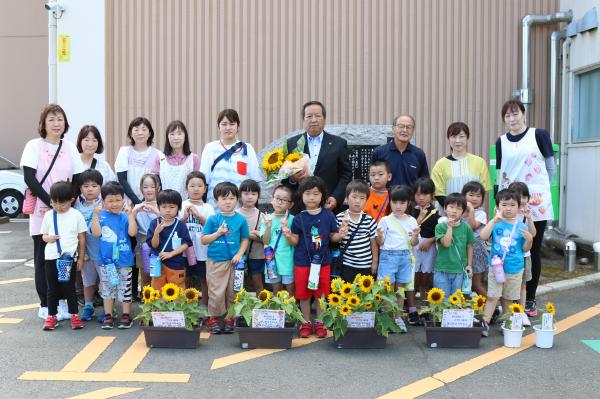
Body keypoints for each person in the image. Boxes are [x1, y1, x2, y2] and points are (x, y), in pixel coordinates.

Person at [21, 104, 85, 320]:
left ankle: (61, 303)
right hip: (42, 212)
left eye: (60, 119)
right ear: (43, 124)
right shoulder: (34, 146)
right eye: (51, 119)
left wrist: (66, 204)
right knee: (43, 258)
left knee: (64, 256)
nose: (56, 123)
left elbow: (77, 178)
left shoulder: (69, 147)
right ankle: (46, 304)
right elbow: (30, 177)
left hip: (66, 212)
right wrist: (52, 202)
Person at [496, 99, 554, 317]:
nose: (512, 119)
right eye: (507, 116)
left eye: (515, 114)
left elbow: (550, 167)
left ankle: (530, 299)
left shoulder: (539, 135)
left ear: (523, 114)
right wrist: (498, 201)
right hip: (510, 204)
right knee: (509, 249)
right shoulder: (502, 141)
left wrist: (541, 193)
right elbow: (500, 173)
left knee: (532, 251)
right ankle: (509, 297)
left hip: (536, 205)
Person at [283, 176, 348, 338]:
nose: (311, 197)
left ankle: (320, 322)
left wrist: (340, 235)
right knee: (304, 294)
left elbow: (332, 237)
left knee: (321, 294)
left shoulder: (328, 216)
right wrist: (288, 235)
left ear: (322, 197)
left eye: (316, 194)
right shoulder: (298, 218)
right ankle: (306, 322)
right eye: (307, 193)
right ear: (301, 196)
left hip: (323, 262)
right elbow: (294, 241)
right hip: (303, 262)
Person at [479, 189, 533, 337]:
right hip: (496, 266)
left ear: (519, 207)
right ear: (497, 207)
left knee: (509, 298)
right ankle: (485, 323)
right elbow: (483, 236)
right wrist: (493, 220)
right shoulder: (496, 223)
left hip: (515, 268)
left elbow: (524, 248)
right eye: (504, 204)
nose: (508, 208)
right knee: (492, 296)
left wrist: (529, 240)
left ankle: (506, 323)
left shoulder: (521, 225)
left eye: (512, 205)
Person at [284, 101, 352, 212]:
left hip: (328, 205)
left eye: (318, 116)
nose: (313, 120)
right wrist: (292, 180)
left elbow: (346, 174)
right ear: (303, 120)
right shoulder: (291, 144)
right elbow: (284, 176)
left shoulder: (338, 143)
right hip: (300, 207)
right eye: (309, 116)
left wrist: (336, 197)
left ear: (324, 119)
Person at [202, 182, 250, 334]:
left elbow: (245, 239)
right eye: (224, 198)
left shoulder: (241, 219)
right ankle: (214, 318)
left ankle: (230, 317)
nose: (228, 201)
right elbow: (204, 240)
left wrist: (240, 254)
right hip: (216, 260)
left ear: (237, 200)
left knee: (233, 291)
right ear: (216, 201)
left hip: (235, 262)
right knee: (216, 291)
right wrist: (218, 233)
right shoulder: (213, 219)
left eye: (231, 198)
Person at [91, 181, 138, 330]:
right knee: (107, 288)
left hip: (124, 260)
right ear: (103, 201)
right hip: (107, 261)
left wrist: (131, 215)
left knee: (125, 288)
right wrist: (95, 214)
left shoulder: (125, 216)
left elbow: (132, 233)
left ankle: (126, 315)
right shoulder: (101, 216)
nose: (115, 204)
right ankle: (108, 315)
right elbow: (96, 233)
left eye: (118, 200)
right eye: (110, 201)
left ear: (123, 200)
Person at [40, 181, 87, 330]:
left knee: (69, 288)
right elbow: (44, 236)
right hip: (51, 257)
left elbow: (82, 238)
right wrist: (49, 238)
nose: (58, 207)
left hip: (68, 259)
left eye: (63, 203)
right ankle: (51, 316)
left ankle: (74, 315)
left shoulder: (76, 215)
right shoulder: (48, 215)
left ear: (71, 200)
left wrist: (80, 258)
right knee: (52, 288)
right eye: (54, 203)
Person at [376, 185, 421, 332]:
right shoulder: (385, 220)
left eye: (402, 203)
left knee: (400, 289)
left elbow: (414, 244)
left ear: (408, 203)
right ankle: (388, 319)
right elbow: (380, 243)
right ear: (390, 202)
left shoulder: (412, 221)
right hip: (388, 256)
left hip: (405, 256)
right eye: (395, 202)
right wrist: (380, 235)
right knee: (388, 289)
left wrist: (415, 235)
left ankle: (398, 318)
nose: (398, 206)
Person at [200, 109, 262, 205]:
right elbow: (204, 180)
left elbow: (255, 180)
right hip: (215, 206)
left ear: (238, 126)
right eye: (224, 124)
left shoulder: (247, 148)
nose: (228, 127)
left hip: (240, 207)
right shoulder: (210, 148)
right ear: (218, 126)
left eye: (232, 124)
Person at [430, 122, 491, 206]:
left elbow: (484, 189)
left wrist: (469, 210)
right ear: (448, 138)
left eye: (461, 136)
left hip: (473, 214)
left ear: (467, 138)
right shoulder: (440, 164)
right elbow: (438, 193)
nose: (457, 140)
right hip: (448, 214)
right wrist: (454, 209)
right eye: (453, 137)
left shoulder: (479, 162)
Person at [147, 189, 193, 290]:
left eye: (172, 207)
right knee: (157, 292)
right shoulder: (154, 223)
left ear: (178, 208)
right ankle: (157, 306)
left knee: (178, 291)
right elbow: (154, 245)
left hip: (176, 264)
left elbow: (186, 244)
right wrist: (156, 233)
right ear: (158, 207)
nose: (168, 210)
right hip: (157, 264)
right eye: (164, 207)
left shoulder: (180, 225)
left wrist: (171, 254)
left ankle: (177, 306)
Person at [180, 171, 214, 305]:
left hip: (202, 251)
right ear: (186, 188)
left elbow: (211, 227)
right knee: (184, 278)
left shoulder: (208, 207)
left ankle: (206, 307)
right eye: (192, 185)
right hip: (184, 250)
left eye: (199, 186)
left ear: (205, 189)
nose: (196, 189)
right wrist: (183, 218)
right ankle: (186, 307)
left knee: (204, 279)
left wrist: (198, 215)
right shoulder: (182, 205)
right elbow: (175, 226)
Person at [335, 179, 378, 283]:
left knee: (364, 295)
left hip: (365, 265)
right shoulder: (340, 218)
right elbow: (334, 239)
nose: (358, 201)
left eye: (362, 198)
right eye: (354, 197)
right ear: (346, 198)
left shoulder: (369, 220)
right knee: (348, 294)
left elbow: (373, 243)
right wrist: (340, 233)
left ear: (366, 200)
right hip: (347, 264)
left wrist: (375, 262)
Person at [75, 169, 104, 321]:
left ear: (100, 187)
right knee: (88, 280)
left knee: (104, 281)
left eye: (94, 185)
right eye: (86, 186)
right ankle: (88, 306)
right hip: (84, 252)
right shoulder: (77, 206)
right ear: (80, 188)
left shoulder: (104, 203)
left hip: (101, 251)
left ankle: (108, 309)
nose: (90, 189)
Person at [433, 193, 474, 296]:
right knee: (442, 300)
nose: (454, 211)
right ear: (445, 208)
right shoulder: (440, 227)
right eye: (451, 207)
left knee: (456, 301)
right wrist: (450, 227)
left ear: (463, 212)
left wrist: (469, 265)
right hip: (442, 269)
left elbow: (469, 246)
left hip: (459, 270)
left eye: (459, 208)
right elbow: (446, 244)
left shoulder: (466, 228)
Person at [410, 178, 440, 320]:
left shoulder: (436, 213)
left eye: (425, 194)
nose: (421, 197)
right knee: (413, 276)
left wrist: (430, 240)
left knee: (426, 277)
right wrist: (420, 216)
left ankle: (424, 306)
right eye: (417, 194)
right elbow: (410, 230)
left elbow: (440, 232)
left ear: (432, 195)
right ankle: (412, 308)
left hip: (429, 247)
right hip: (414, 245)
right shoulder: (410, 210)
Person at [371, 114, 429, 187]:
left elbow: (424, 181)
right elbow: (372, 178)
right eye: (401, 126)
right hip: (386, 198)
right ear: (393, 128)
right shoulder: (379, 152)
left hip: (410, 198)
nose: (404, 130)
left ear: (413, 130)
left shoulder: (419, 154)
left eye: (408, 127)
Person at [114, 117, 161, 205]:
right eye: (136, 130)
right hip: (127, 202)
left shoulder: (158, 155)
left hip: (150, 203)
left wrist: (144, 201)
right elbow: (122, 179)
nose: (140, 133)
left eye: (144, 129)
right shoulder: (124, 151)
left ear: (150, 133)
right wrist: (136, 201)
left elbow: (157, 181)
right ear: (130, 134)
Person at [508, 181, 537, 326]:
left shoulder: (526, 215)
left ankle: (521, 312)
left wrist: (530, 218)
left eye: (525, 196)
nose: (523, 199)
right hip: (508, 257)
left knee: (522, 285)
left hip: (524, 256)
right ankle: (507, 312)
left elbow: (533, 234)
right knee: (506, 285)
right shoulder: (506, 213)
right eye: (519, 196)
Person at [260, 186, 295, 295]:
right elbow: (265, 241)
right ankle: (278, 311)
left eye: (284, 200)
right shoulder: (267, 218)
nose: (280, 202)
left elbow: (294, 240)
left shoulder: (292, 219)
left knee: (290, 289)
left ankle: (290, 311)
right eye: (277, 198)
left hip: (288, 260)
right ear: (272, 199)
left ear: (291, 204)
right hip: (271, 259)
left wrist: (286, 231)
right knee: (276, 289)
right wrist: (269, 226)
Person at [155, 120, 200, 199]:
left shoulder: (194, 158)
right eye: (172, 134)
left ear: (185, 136)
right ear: (167, 137)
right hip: (165, 205)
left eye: (179, 134)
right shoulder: (160, 158)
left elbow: (199, 184)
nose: (176, 137)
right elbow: (154, 185)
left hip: (188, 205)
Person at [132, 174, 161, 292]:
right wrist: (134, 212)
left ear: (158, 188)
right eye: (146, 187)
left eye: (152, 186)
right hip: (142, 241)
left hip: (158, 240)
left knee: (157, 272)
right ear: (141, 189)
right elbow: (131, 225)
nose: (149, 190)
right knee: (144, 272)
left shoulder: (161, 205)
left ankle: (157, 299)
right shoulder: (138, 206)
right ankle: (146, 298)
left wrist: (155, 211)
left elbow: (166, 220)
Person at [237, 179, 266, 292]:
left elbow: (265, 238)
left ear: (258, 196)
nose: (250, 197)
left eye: (253, 194)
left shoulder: (262, 216)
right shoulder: (236, 214)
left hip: (257, 254)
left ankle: (261, 306)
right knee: (237, 282)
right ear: (240, 195)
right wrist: (253, 234)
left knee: (257, 281)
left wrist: (246, 234)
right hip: (238, 254)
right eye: (246, 193)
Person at [461, 181, 489, 297]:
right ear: (463, 196)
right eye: (471, 195)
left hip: (476, 250)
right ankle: (466, 311)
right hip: (462, 249)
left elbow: (471, 227)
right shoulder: (459, 211)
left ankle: (492, 307)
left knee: (476, 284)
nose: (474, 198)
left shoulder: (481, 213)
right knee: (464, 283)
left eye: (478, 196)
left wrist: (471, 210)